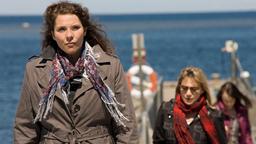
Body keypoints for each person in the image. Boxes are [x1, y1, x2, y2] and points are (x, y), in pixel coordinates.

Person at [13, 1, 138, 143]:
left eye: (75, 28)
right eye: (61, 29)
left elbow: (126, 126)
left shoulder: (110, 66)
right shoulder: (34, 70)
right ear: (53, 34)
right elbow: (25, 128)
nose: (69, 35)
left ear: (84, 30)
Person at [153, 66, 226, 144]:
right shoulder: (166, 110)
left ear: (202, 90)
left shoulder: (214, 116)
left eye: (193, 89)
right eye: (184, 88)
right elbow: (158, 141)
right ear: (179, 88)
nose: (188, 93)